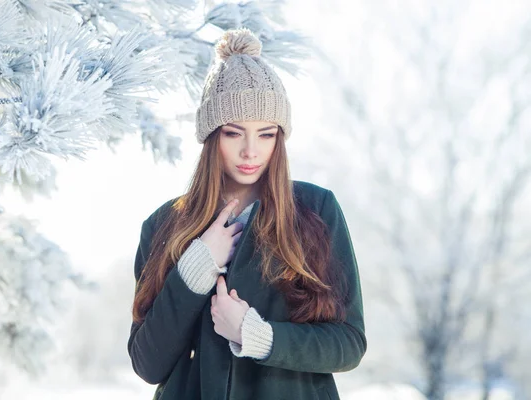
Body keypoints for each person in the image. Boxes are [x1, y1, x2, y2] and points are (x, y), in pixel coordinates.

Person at [127, 27, 366, 400]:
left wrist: (256, 334)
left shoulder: (315, 210)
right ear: (212, 136)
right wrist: (195, 268)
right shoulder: (164, 225)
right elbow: (148, 364)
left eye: (266, 134)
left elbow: (348, 343)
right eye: (234, 133)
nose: (250, 151)